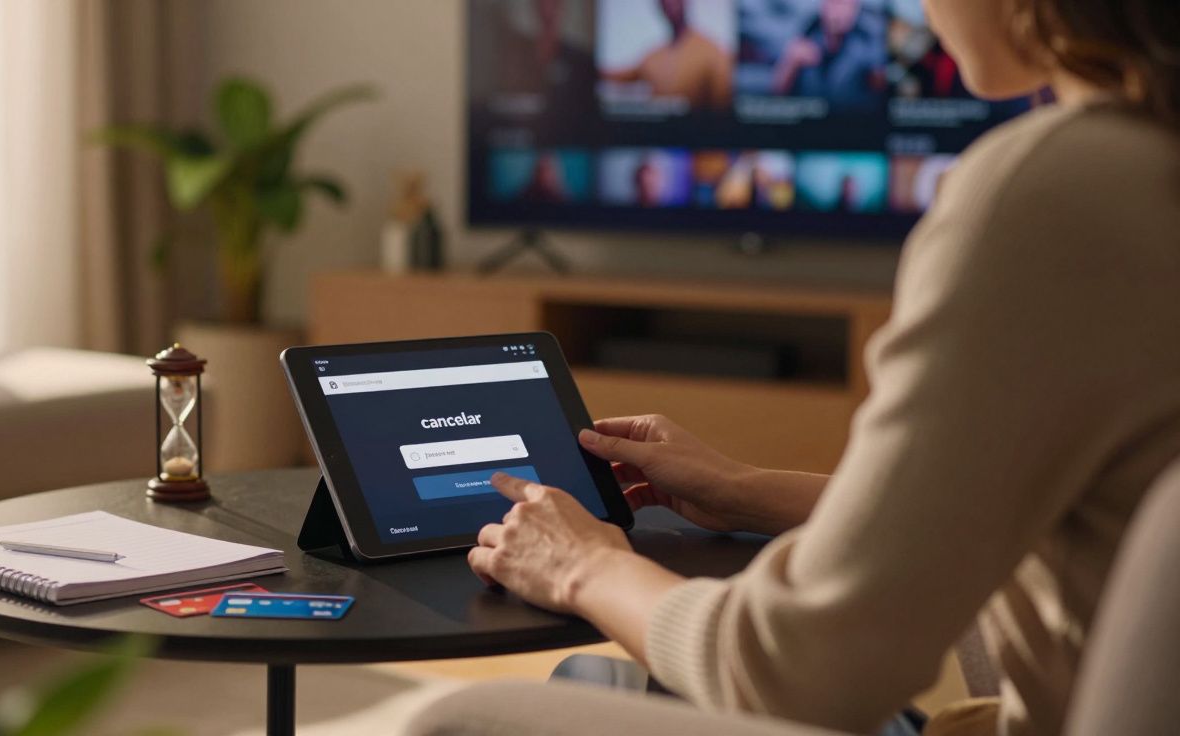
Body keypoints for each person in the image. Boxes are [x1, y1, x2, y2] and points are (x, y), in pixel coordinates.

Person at [422, 1, 1180, 735]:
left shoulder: (1053, 188)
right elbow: (1015, 525)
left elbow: (799, 676)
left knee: (465, 719)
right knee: (612, 682)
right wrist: (743, 491)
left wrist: (582, 568)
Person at [602, 0, 733, 110]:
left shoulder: (713, 52)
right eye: (663, 2)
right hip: (656, 134)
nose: (669, 5)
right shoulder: (654, 56)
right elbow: (625, 75)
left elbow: (723, 108)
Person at [771, 0, 887, 111]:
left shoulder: (869, 38)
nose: (839, 12)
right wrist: (791, 63)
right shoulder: (806, 32)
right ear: (823, 5)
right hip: (808, 120)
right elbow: (776, 95)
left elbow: (880, 92)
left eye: (846, 4)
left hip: (853, 121)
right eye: (834, 3)